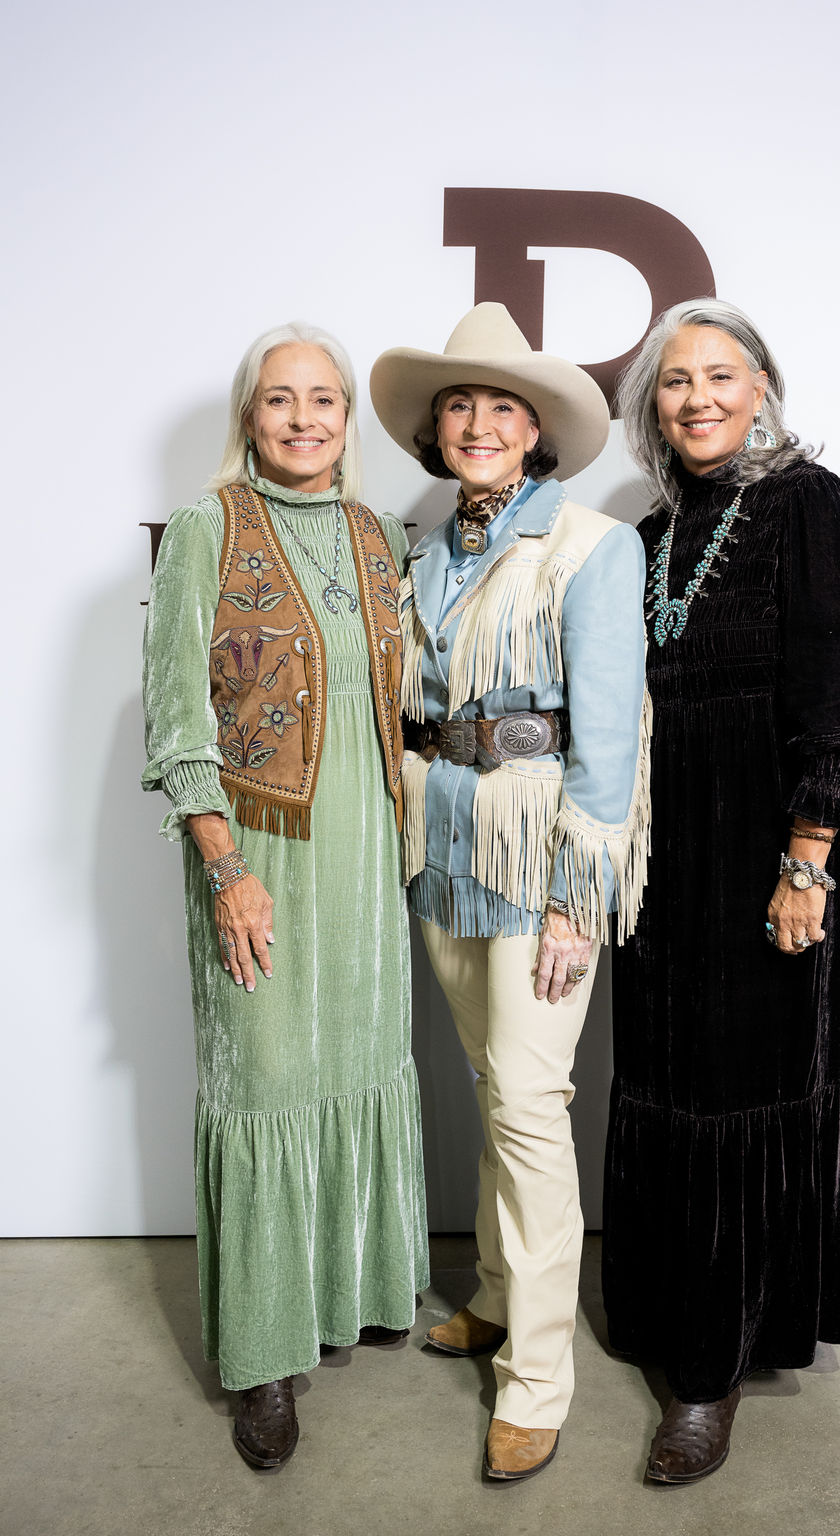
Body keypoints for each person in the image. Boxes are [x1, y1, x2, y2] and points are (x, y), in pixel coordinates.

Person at [604, 299, 840, 1484]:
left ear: (760, 386)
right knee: (667, 1075)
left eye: (720, 376)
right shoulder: (648, 530)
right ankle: (667, 1309)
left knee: (748, 1087)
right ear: (650, 405)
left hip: (775, 840)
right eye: (675, 381)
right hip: (664, 848)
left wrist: (806, 858)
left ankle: (711, 1372)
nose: (698, 399)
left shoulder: (813, 505)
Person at [369, 303, 650, 1481]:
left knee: (530, 1105)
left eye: (502, 406)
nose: (478, 423)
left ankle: (535, 1379)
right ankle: (491, 1295)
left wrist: (580, 902)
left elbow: (610, 740)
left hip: (539, 863)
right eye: (459, 405)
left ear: (536, 431)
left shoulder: (592, 545)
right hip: (440, 850)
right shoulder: (420, 551)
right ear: (436, 430)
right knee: (495, 1087)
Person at [142, 322, 429, 1469]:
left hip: (364, 851)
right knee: (261, 1079)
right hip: (258, 851)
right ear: (248, 416)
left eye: (323, 399)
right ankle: (262, 1360)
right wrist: (225, 869)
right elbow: (177, 723)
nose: (303, 419)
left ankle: (355, 1288)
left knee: (356, 1058)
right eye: (279, 399)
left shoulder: (375, 535)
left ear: (348, 418)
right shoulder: (206, 529)